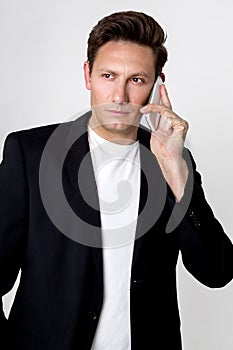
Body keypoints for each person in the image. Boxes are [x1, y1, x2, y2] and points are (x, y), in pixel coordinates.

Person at [0, 10, 232, 350]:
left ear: (156, 85)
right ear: (87, 75)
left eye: (136, 80)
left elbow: (216, 271)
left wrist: (178, 177)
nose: (120, 96)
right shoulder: (30, 154)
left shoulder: (171, 160)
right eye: (108, 75)